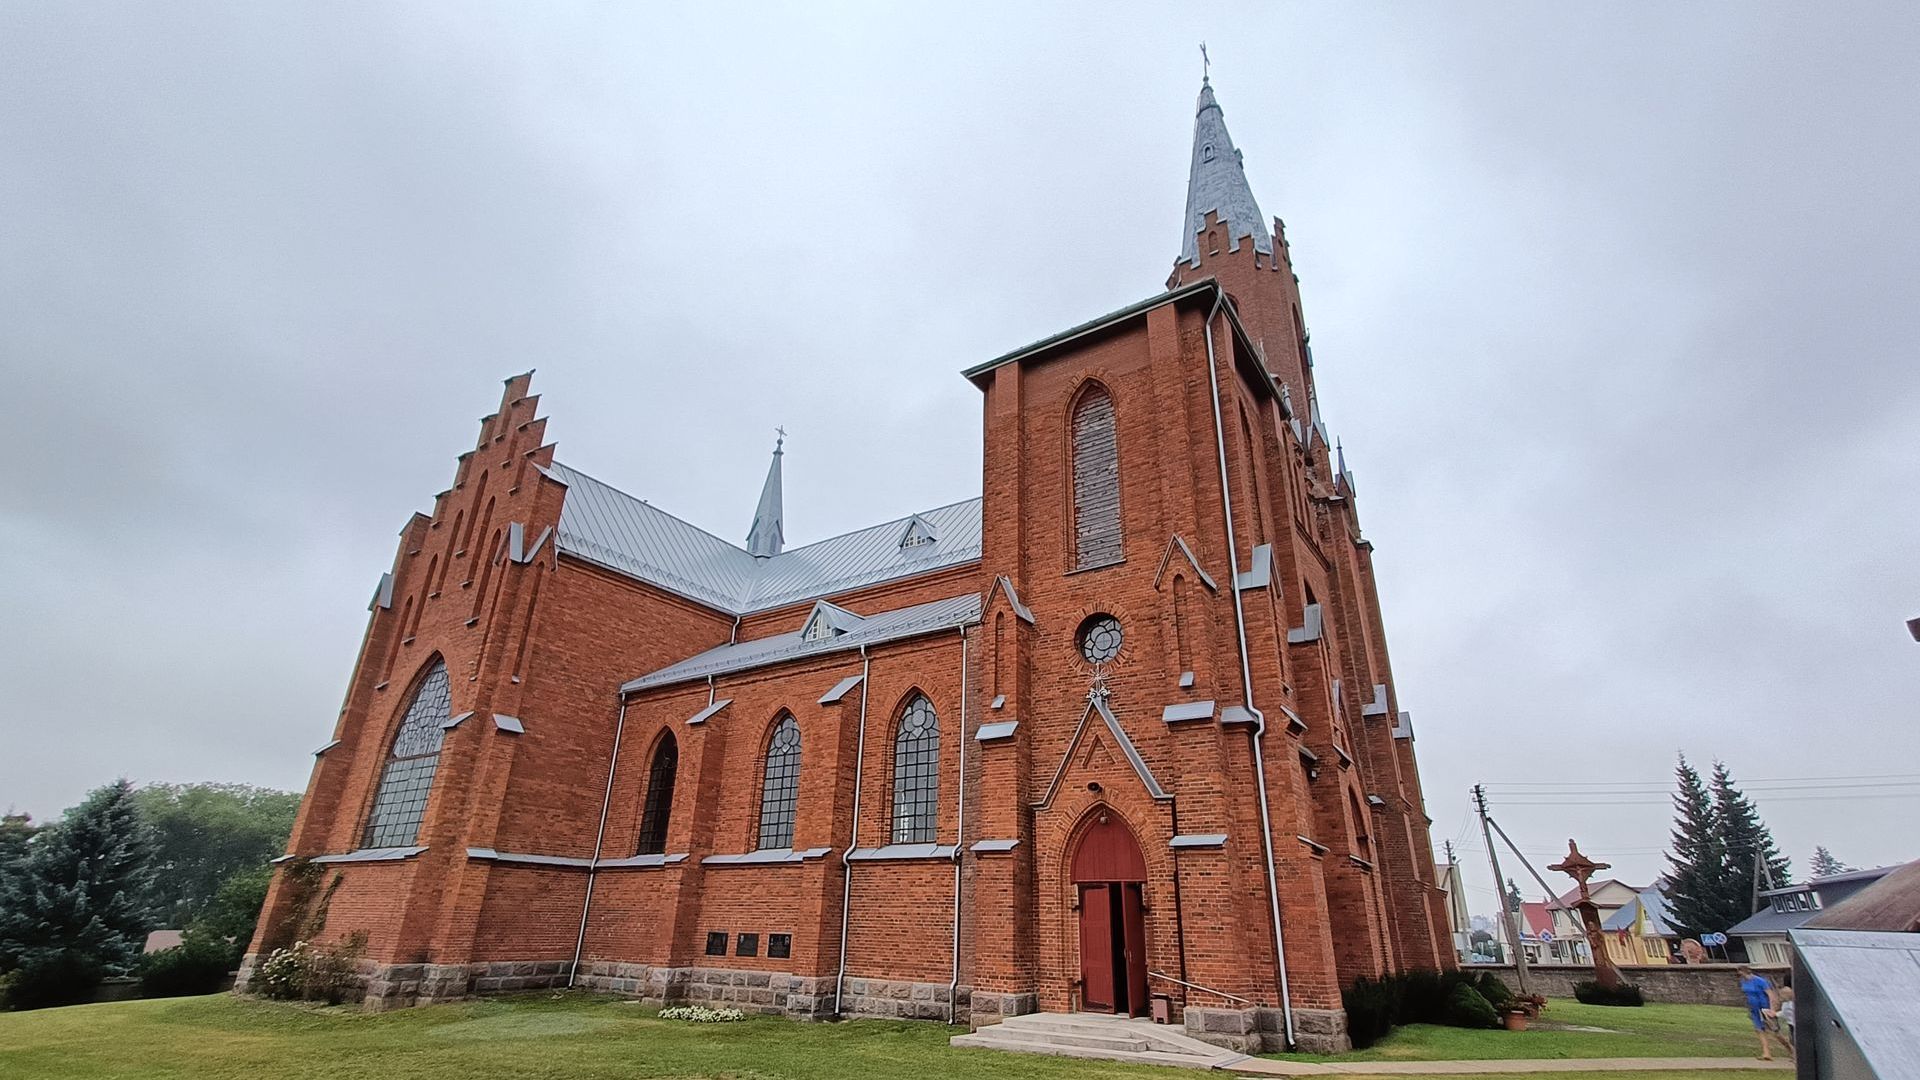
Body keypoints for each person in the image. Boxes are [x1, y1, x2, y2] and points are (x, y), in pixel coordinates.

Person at [1737, 966, 1792, 1061]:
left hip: (1765, 1007)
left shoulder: (1760, 981)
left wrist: (1772, 1009)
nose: (1740, 976)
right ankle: (1766, 1053)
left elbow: (1771, 995)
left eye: (1741, 974)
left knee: (1775, 1031)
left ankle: (1791, 1050)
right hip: (1754, 1008)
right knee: (1759, 1029)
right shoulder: (1743, 982)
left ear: (1746, 972)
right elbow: (1746, 994)